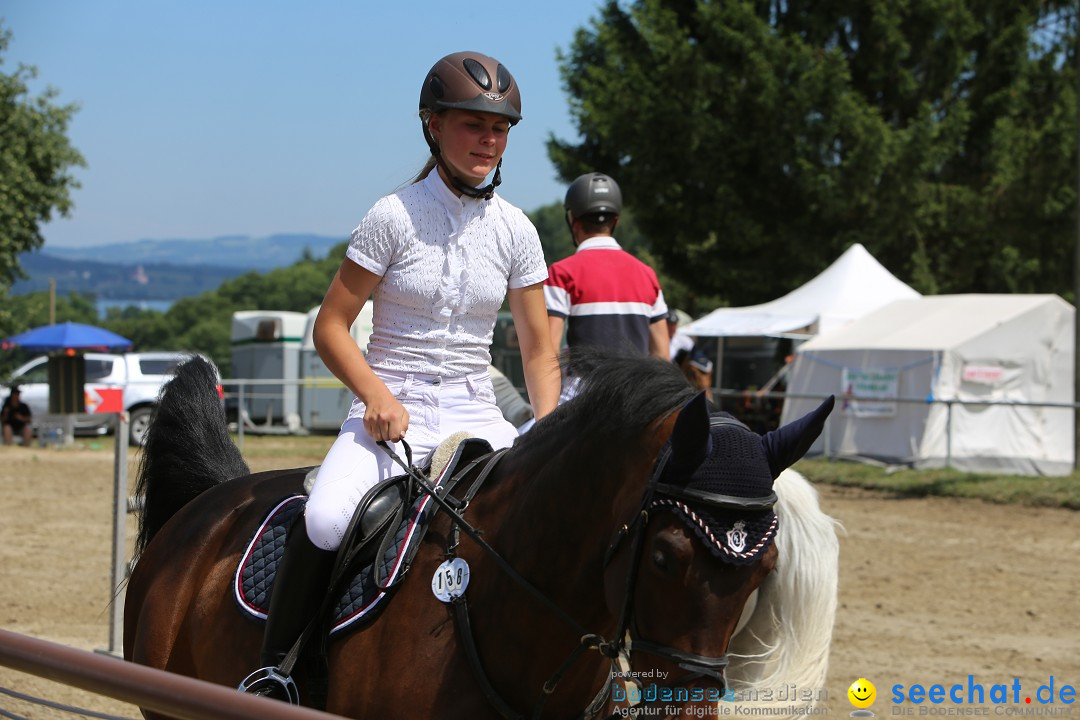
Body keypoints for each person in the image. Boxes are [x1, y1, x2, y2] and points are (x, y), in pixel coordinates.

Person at [239, 51, 560, 702]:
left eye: (499, 129)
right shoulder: (392, 216)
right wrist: (375, 395)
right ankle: (278, 671)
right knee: (327, 518)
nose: (488, 140)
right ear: (433, 126)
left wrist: (550, 433)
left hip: (477, 414)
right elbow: (329, 326)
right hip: (390, 411)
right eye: (473, 125)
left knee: (545, 524)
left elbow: (537, 350)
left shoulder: (518, 232)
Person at [544, 172, 670, 361]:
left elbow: (548, 352)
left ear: (573, 221)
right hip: (637, 389)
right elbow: (662, 354)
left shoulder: (561, 273)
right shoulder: (647, 275)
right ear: (616, 221)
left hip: (585, 388)